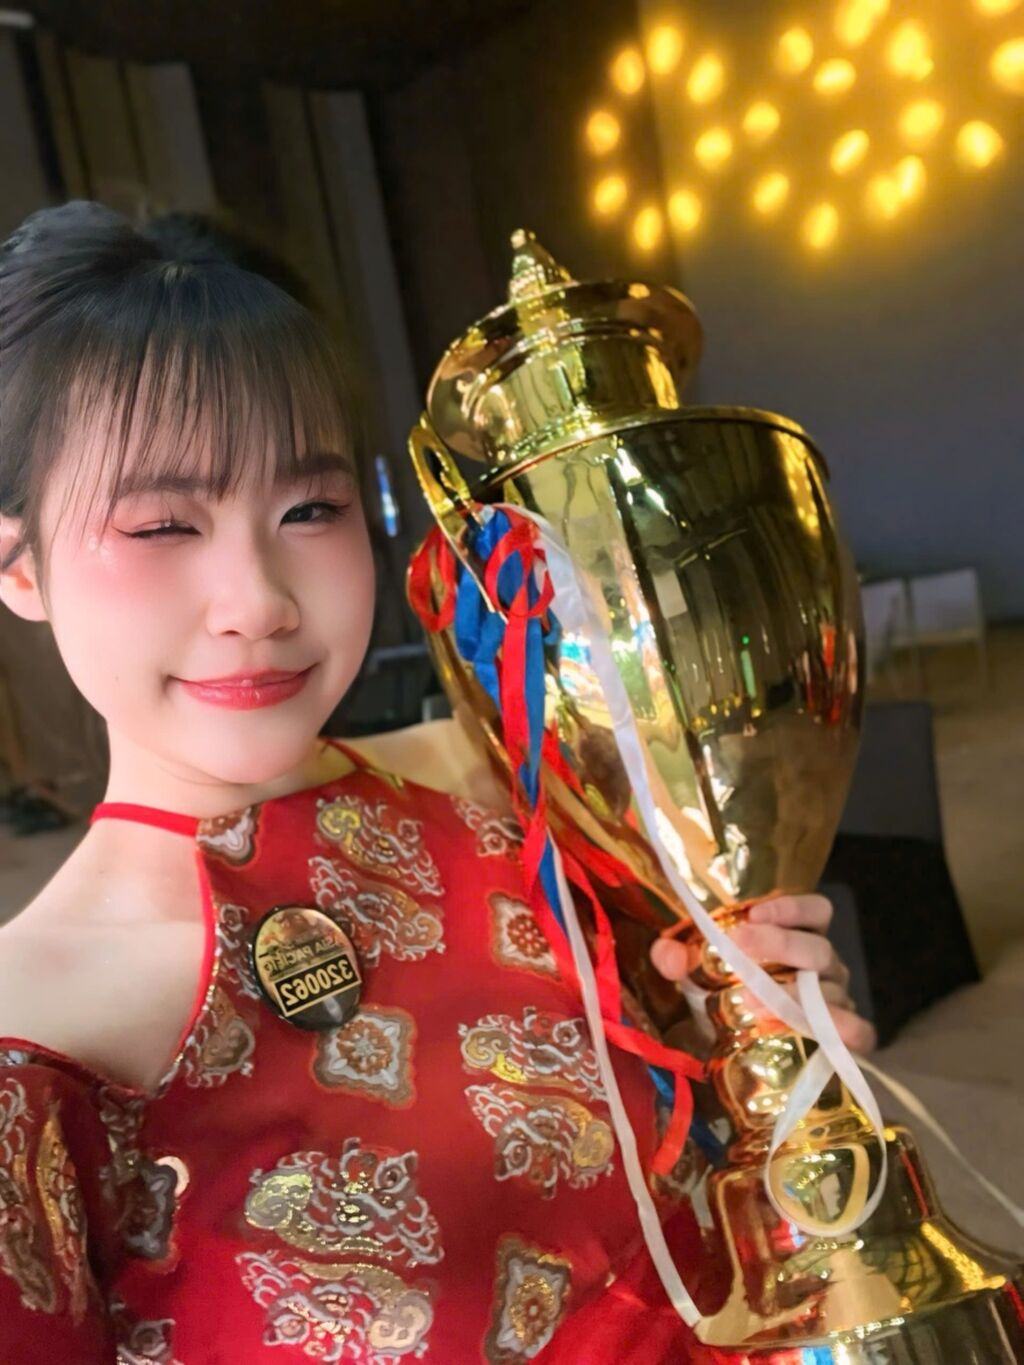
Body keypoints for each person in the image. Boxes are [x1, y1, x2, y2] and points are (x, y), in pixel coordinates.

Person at [0, 200, 874, 1364]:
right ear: (19, 564)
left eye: (309, 510)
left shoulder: (505, 783)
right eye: (162, 525)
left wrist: (758, 1057)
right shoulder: (34, 1044)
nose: (258, 600)